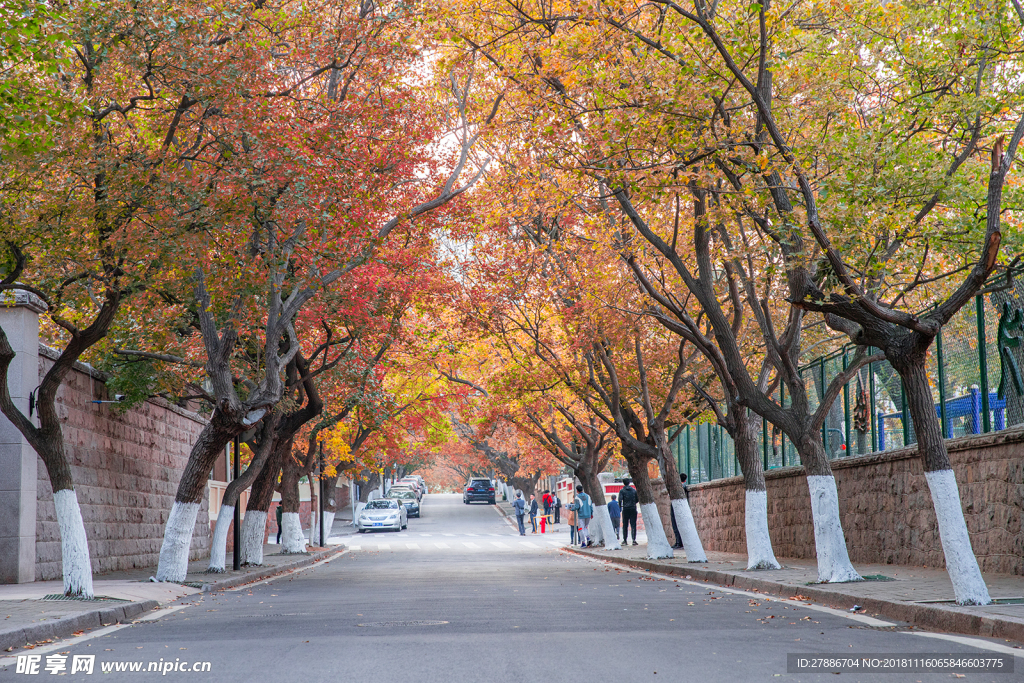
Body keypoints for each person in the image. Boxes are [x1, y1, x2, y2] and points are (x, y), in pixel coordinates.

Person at [619, 478, 639, 545]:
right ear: (629, 483)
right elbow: (637, 499)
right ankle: (634, 540)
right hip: (633, 508)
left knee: (625, 525)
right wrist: (633, 504)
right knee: (633, 525)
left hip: (625, 509)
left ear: (623, 483)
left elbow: (620, 500)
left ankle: (625, 540)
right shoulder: (634, 490)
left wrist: (620, 506)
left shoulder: (622, 491)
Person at [670, 473, 688, 549]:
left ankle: (678, 542)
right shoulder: (684, 486)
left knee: (675, 525)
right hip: (682, 507)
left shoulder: (678, 487)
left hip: (676, 508)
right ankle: (679, 542)